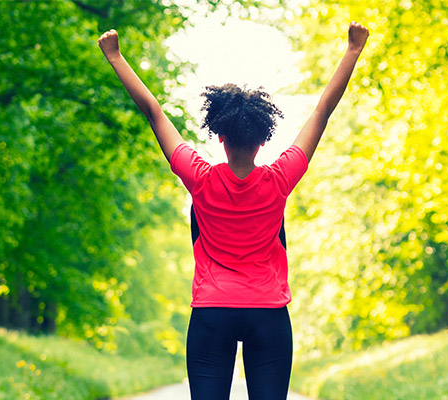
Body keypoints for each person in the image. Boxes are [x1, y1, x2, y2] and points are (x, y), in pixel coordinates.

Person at [98, 21, 369, 399]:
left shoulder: (200, 178)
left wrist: (115, 57)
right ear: (263, 139)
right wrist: (352, 51)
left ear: (220, 136)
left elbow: (154, 112)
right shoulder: (280, 179)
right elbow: (322, 111)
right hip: (268, 314)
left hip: (212, 313)